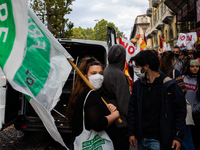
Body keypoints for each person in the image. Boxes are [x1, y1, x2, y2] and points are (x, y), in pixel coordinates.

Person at [127, 50, 186, 150]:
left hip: (159, 141)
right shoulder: (138, 86)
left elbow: (180, 112)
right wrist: (131, 132)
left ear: (146, 66)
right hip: (141, 139)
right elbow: (132, 110)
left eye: (137, 65)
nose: (135, 68)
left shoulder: (169, 86)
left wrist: (178, 136)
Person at [66, 57, 120, 149]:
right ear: (86, 77)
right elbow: (98, 124)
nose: (98, 77)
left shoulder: (84, 93)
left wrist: (108, 110)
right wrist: (115, 115)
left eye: (101, 73)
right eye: (93, 73)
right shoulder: (91, 94)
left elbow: (93, 115)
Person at [159, 51, 194, 150]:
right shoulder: (175, 72)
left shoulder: (158, 73)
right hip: (175, 108)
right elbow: (183, 90)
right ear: (172, 60)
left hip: (165, 112)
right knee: (185, 140)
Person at [101, 44, 130, 150]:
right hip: (119, 123)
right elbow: (124, 105)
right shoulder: (120, 75)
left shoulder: (104, 71)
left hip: (108, 121)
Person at [182, 59, 200, 150]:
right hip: (184, 115)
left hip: (196, 116)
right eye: (192, 67)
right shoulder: (183, 78)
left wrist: (194, 110)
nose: (195, 68)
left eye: (197, 67)